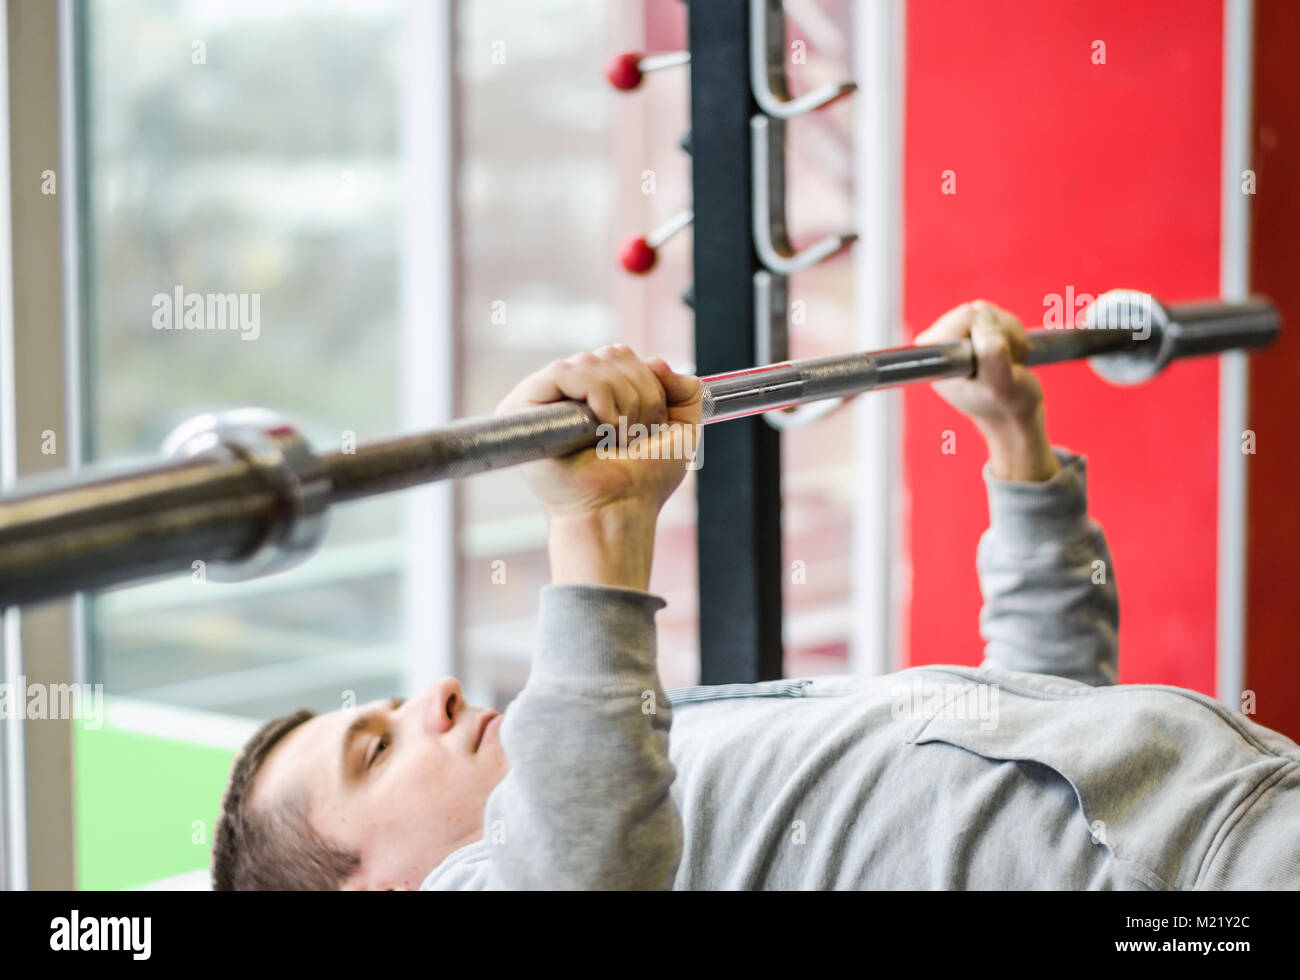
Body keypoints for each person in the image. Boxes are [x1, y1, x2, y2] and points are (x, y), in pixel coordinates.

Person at [212, 300, 1300, 891]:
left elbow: (1036, 708)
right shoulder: (554, 863)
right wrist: (595, 522)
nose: (432, 697)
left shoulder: (663, 773)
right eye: (376, 748)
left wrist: (1014, 444)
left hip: (1223, 804)